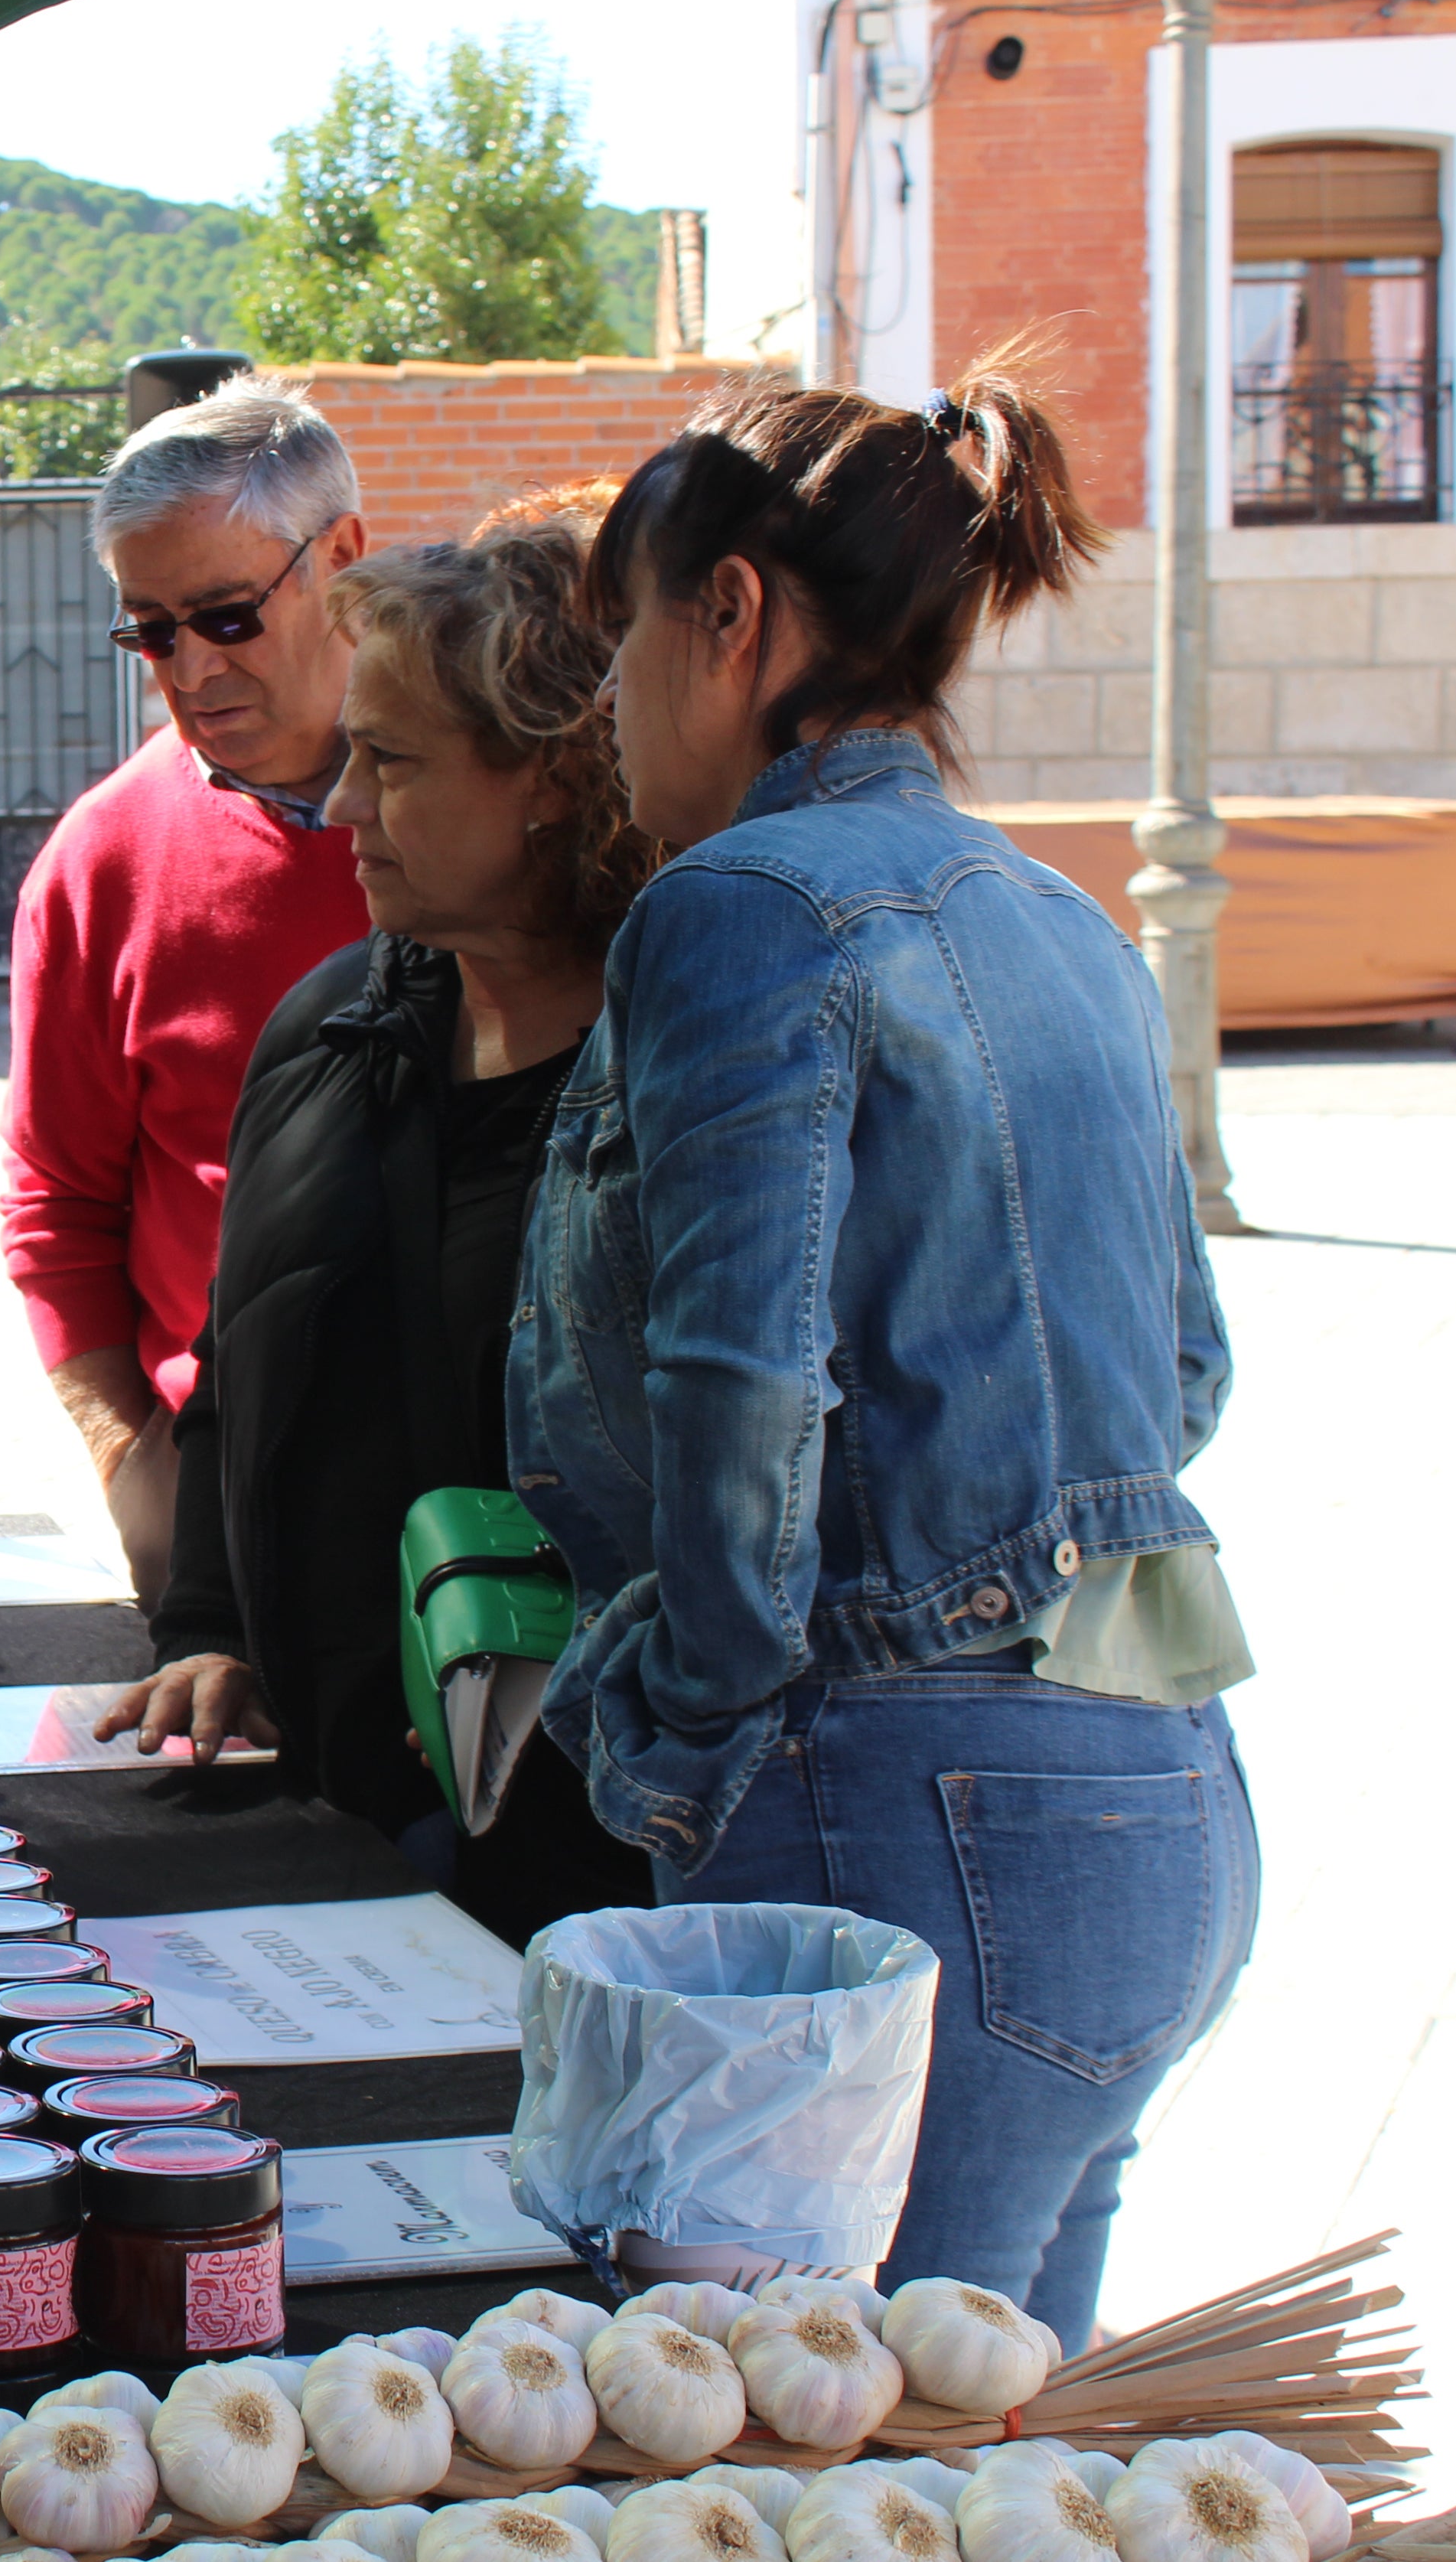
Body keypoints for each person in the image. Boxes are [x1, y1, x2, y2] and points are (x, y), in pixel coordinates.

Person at [523, 351, 1258, 2336]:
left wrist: (680, 1718)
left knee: (821, 2476)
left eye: (620, 649)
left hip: (915, 1814)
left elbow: (740, 1385)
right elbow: (1187, 1371)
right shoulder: (1058, 916)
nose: (606, 715)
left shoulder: (744, 907)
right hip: (1165, 1799)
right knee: (991, 2466)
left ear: (732, 615)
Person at [97, 508, 657, 1945]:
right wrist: (209, 1623)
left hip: (586, 1860)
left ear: (550, 776)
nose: (342, 805)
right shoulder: (331, 1023)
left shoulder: (679, 1090)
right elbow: (240, 1361)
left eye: (392, 763)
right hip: (328, 1819)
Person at [1, 380, 373, 1607]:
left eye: (224, 616)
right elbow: (57, 1206)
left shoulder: (511, 801)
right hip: (225, 1510)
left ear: (343, 558)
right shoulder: (103, 858)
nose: (191, 669)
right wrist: (135, 1468)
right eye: (151, 631)